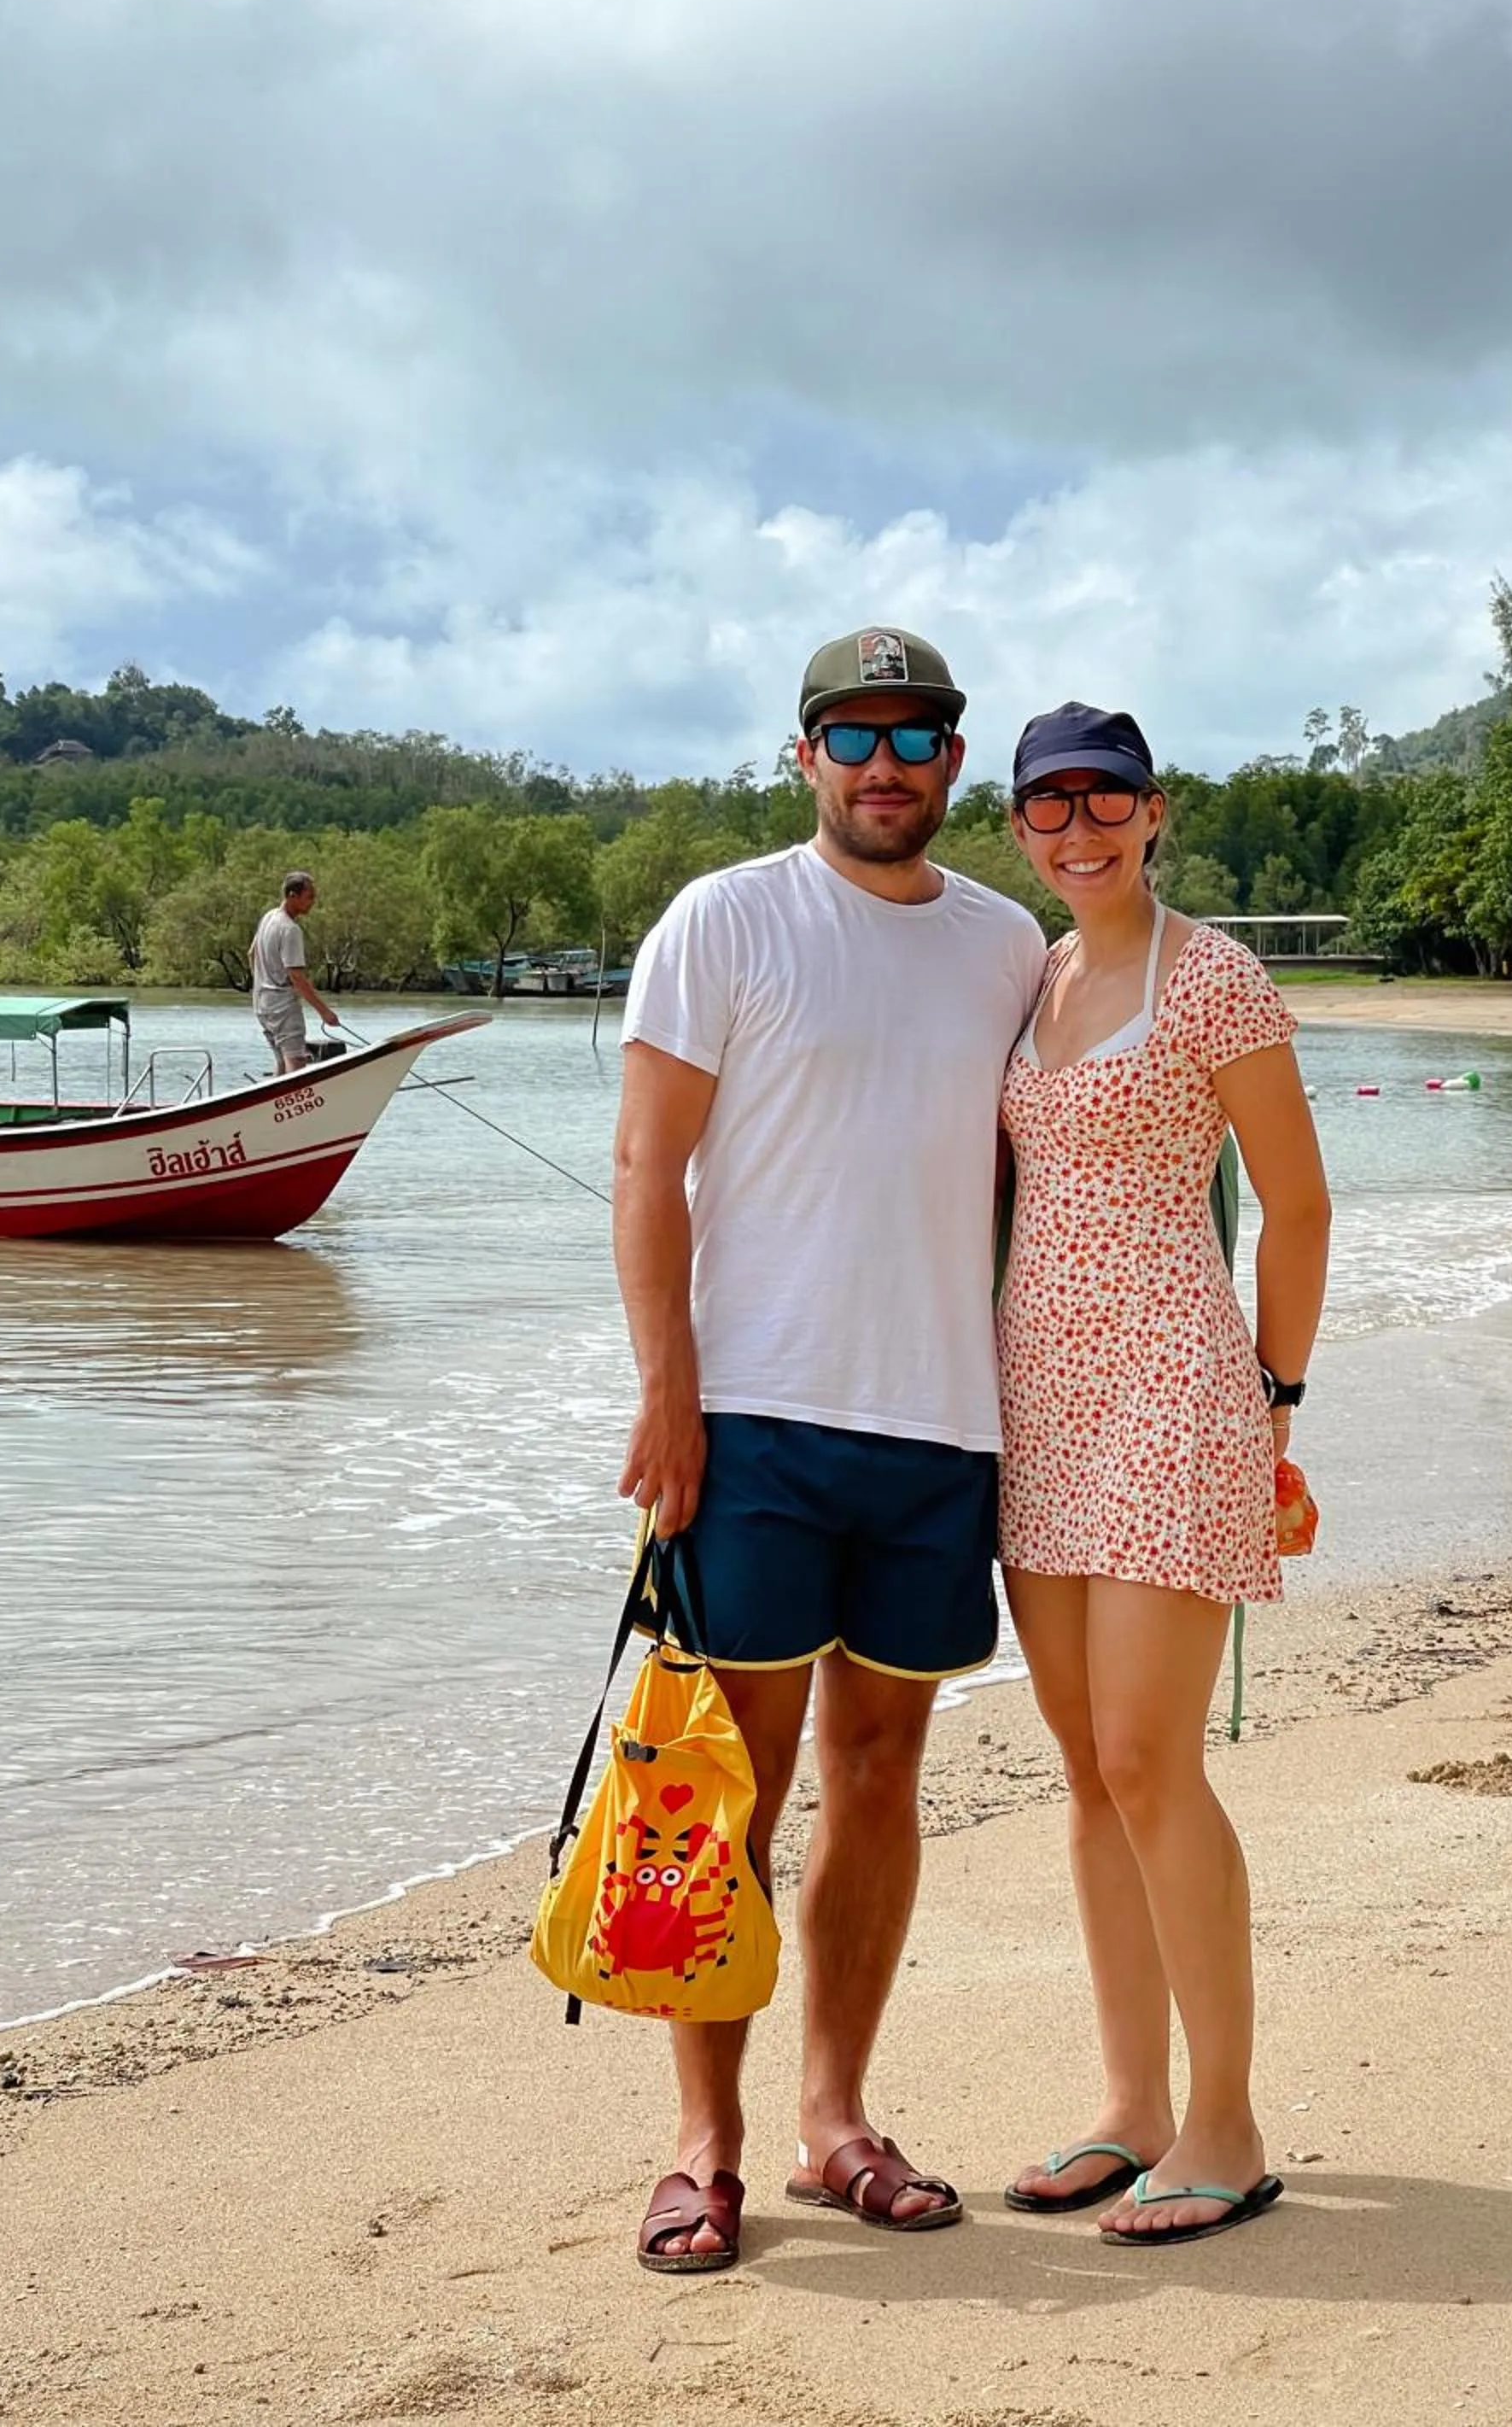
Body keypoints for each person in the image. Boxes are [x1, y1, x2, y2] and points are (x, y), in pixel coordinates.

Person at [611, 626, 1047, 2275]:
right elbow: (647, 1169)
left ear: (953, 762)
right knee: (730, 1787)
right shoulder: (726, 918)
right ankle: (703, 2142)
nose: (886, 765)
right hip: (761, 1426)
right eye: (853, 736)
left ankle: (832, 2121)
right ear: (805, 758)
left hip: (944, 1422)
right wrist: (669, 1393)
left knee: (882, 1777)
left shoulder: (1010, 947)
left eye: (917, 736)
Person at [993, 704, 1330, 2246]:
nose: (1081, 831)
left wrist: (1274, 1406)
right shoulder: (1035, 975)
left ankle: (1228, 2123)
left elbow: (1298, 1203)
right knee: (1082, 1766)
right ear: (1019, 830)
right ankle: (1130, 2109)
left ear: (1154, 811)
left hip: (1178, 1391)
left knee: (1149, 1758)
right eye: (1050, 809)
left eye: (1105, 803)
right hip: (1039, 1400)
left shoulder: (1214, 976)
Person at [249, 871, 340, 1073]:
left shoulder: (268, 918)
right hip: (282, 1006)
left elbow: (251, 953)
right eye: (309, 897)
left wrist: (261, 983)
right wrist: (324, 1011)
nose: (313, 902)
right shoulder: (290, 929)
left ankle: (275, 1103)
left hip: (262, 1003)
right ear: (293, 896)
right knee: (296, 1063)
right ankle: (294, 1103)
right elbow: (296, 977)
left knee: (282, 1062)